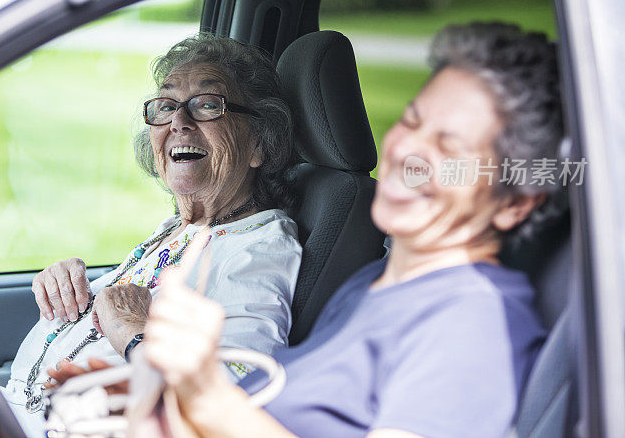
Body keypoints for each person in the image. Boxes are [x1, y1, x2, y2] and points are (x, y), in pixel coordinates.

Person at [140, 22, 562, 438]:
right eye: (412, 121)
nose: (411, 152)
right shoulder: (377, 282)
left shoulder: (472, 322)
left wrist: (201, 389)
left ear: (515, 201)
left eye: (452, 147)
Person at [1, 35, 303, 435]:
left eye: (208, 105)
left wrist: (133, 332)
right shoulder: (180, 230)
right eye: (166, 106)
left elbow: (230, 400)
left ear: (258, 145)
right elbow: (116, 308)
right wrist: (70, 291)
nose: (179, 121)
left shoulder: (260, 249)